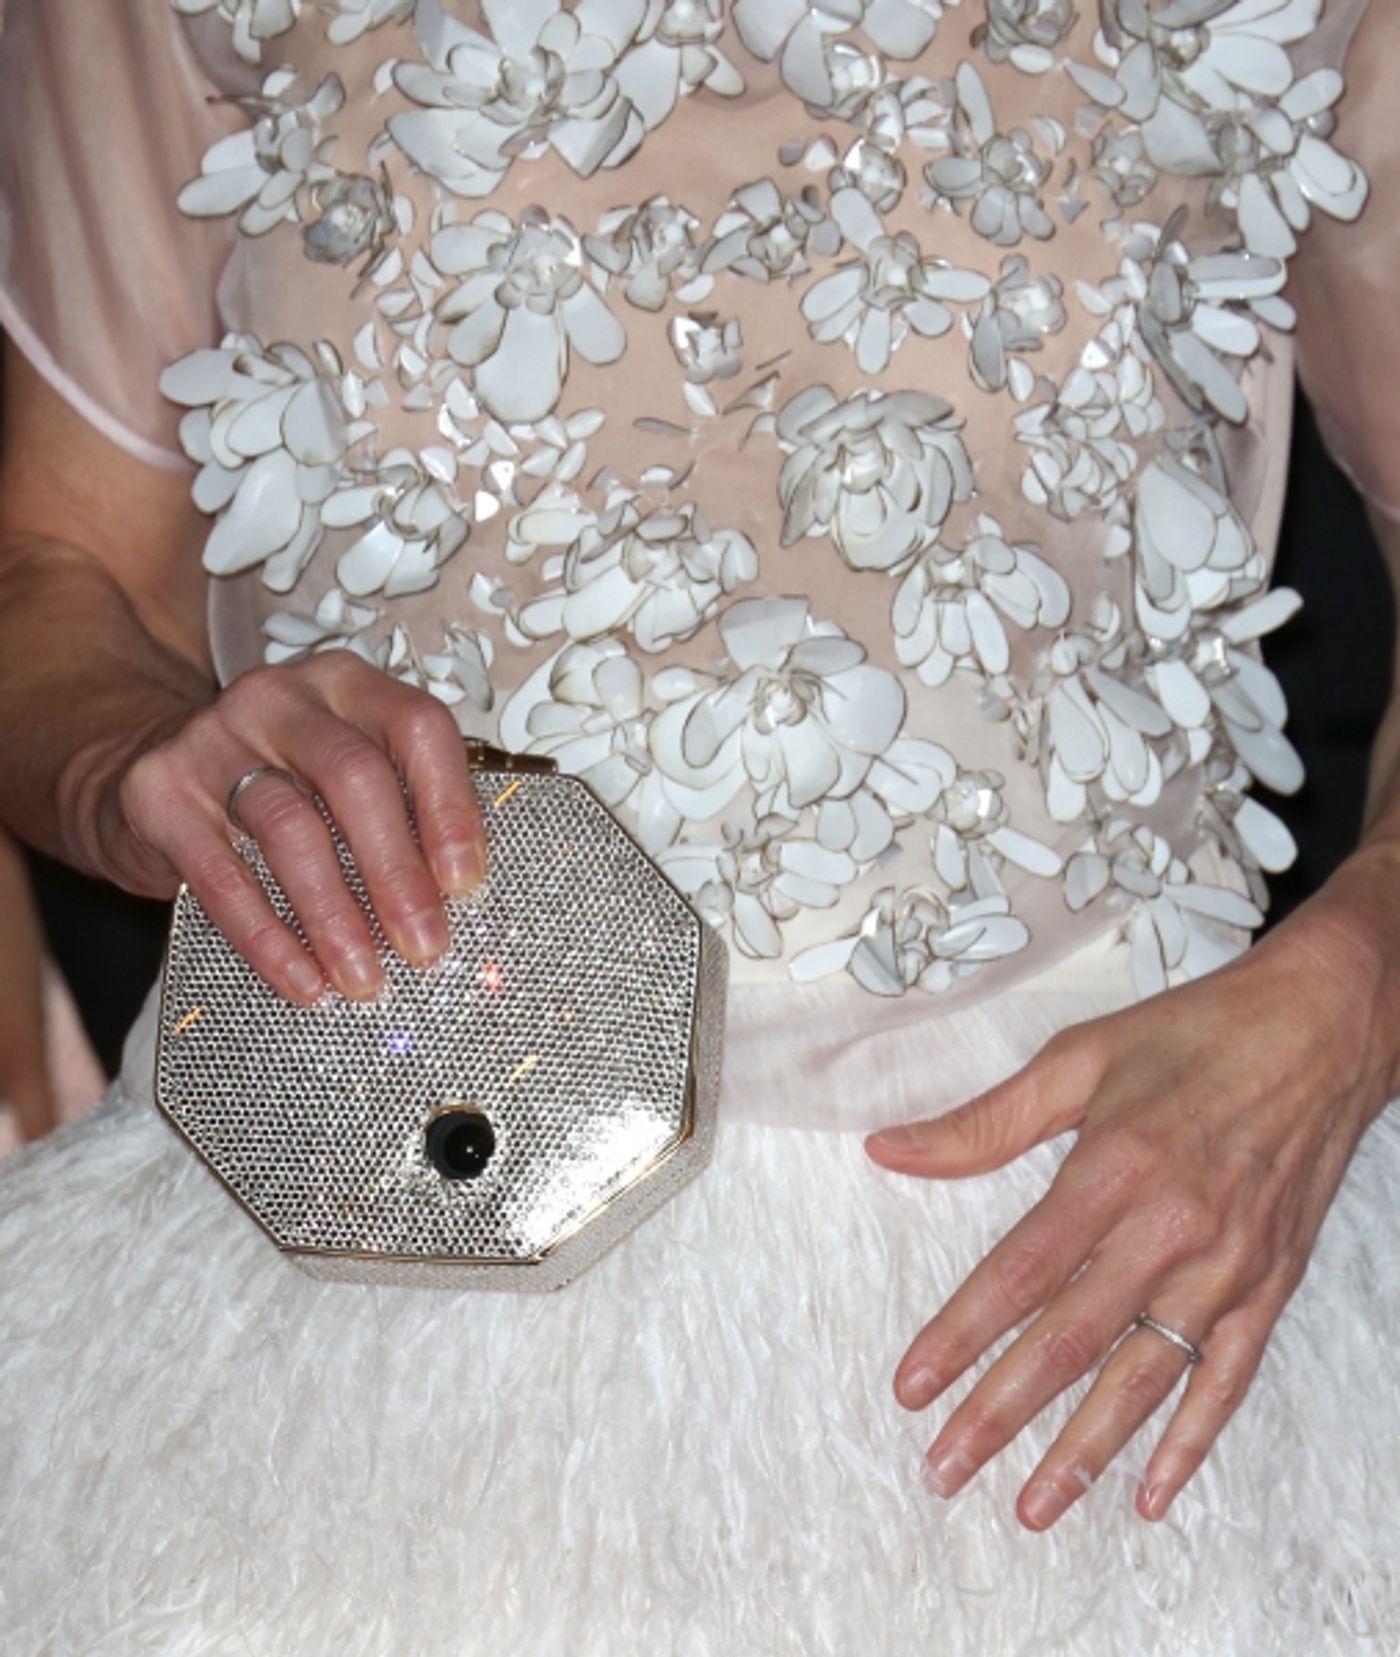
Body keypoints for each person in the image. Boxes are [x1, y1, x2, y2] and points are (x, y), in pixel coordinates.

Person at [1, 0, 1398, 1650]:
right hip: (351, 1222)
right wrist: (141, 761)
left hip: (1115, 1263)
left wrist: (1353, 992)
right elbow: (60, 578)